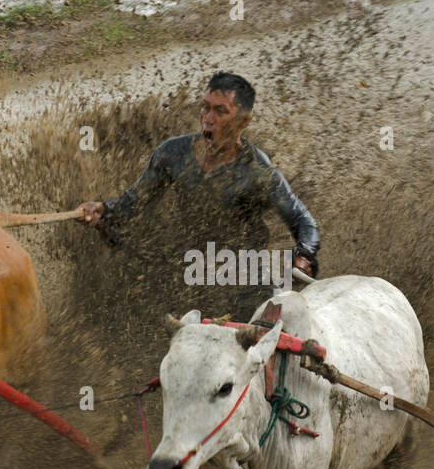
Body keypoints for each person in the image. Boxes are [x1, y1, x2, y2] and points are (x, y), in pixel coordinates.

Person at [77, 73, 319, 320]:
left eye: (220, 112)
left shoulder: (258, 172)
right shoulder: (173, 154)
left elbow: (302, 220)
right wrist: (103, 210)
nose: (208, 119)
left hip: (245, 278)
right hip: (189, 271)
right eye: (205, 108)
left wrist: (304, 254)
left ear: (243, 120)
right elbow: (134, 202)